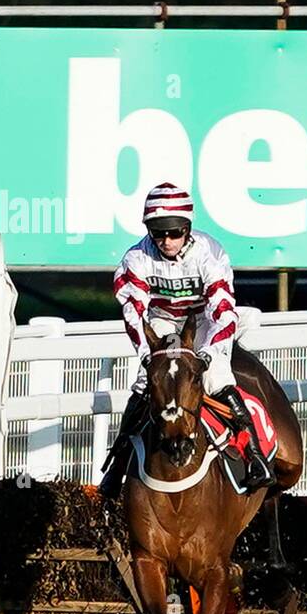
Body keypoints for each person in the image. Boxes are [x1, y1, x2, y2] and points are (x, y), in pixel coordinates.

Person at [98, 182, 275, 498]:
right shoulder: (136, 259)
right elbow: (133, 314)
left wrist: (206, 354)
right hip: (163, 321)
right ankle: (117, 463)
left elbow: (223, 312)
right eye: (158, 233)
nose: (166, 241)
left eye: (174, 232)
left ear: (188, 229)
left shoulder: (209, 253)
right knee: (144, 383)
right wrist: (146, 355)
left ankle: (256, 457)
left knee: (218, 379)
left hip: (204, 320)